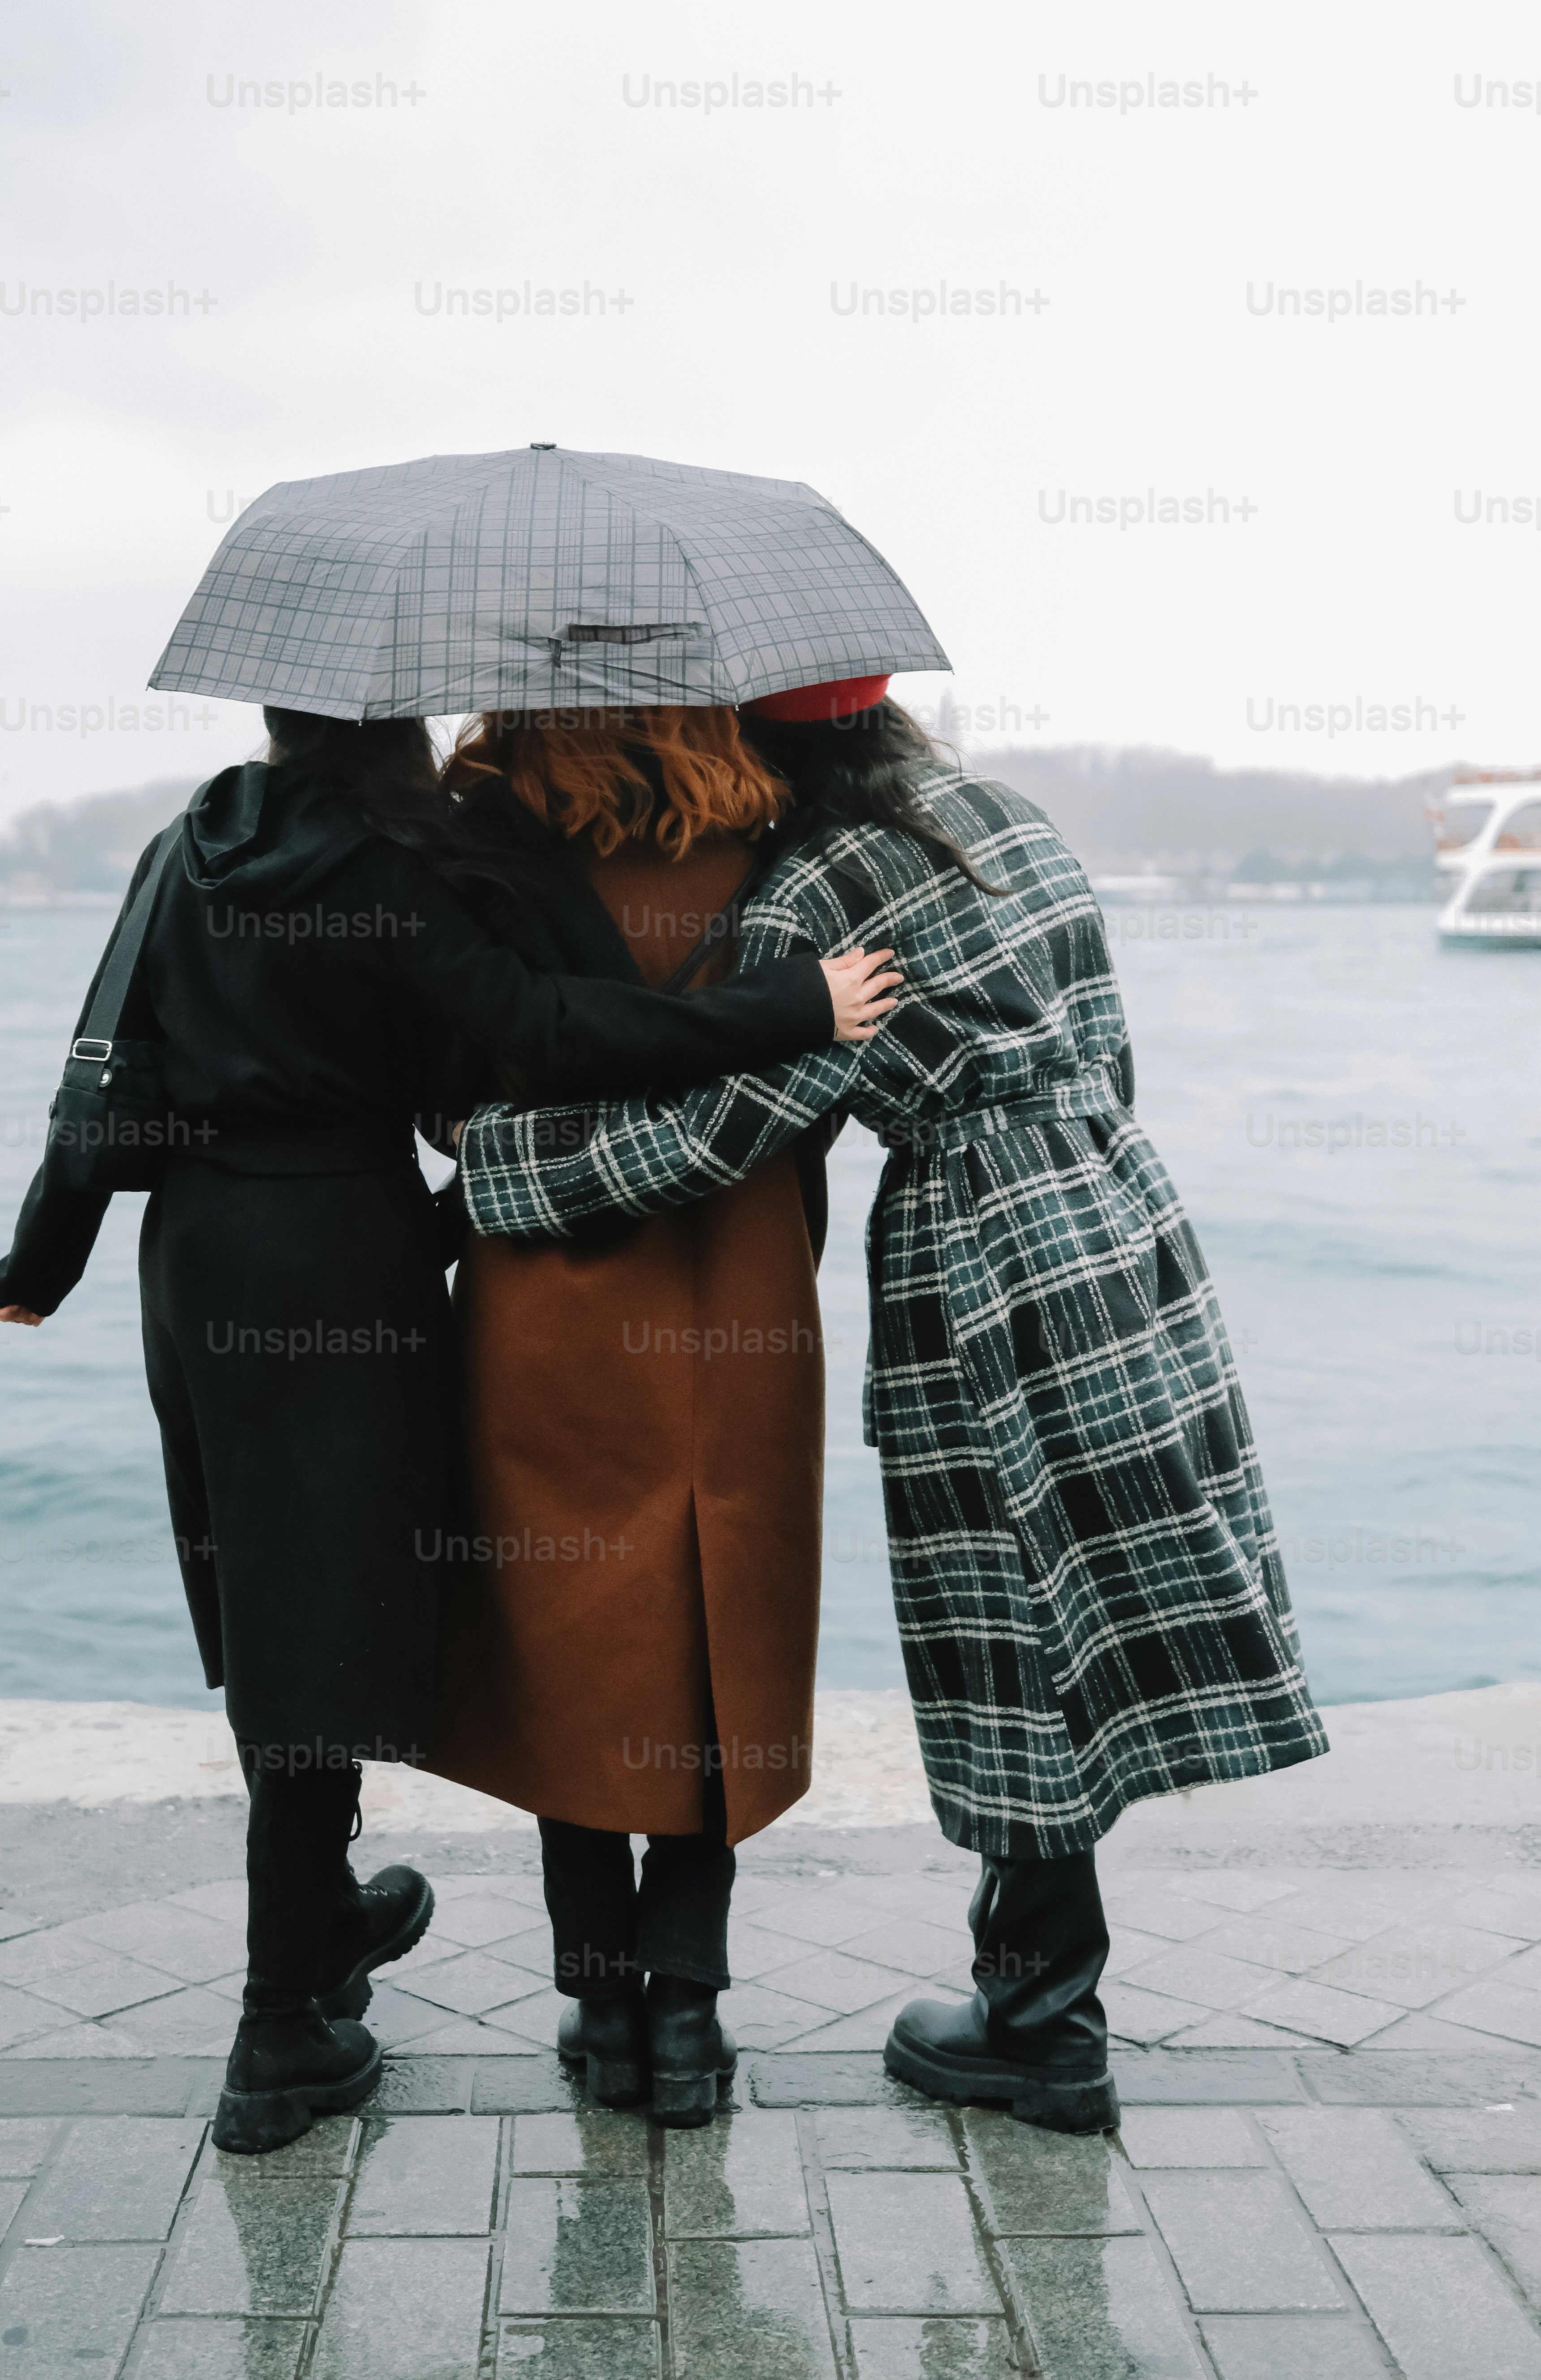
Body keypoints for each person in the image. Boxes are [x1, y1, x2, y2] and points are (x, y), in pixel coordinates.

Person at [0, 706, 895, 2152]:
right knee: (609, 1612)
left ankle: (467, 1976)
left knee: (426, 1617)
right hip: (545, 1260)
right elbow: (598, 1041)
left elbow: (163, 1058)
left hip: (361, 1268)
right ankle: (569, 2012)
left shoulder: (306, 843)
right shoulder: (669, 850)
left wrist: (44, 1262)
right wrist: (789, 1015)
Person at [455, 679, 1329, 2136]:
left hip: (977, 1253)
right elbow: (1109, 1034)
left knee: (1003, 1619)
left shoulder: (814, 892)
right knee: (1087, 1602)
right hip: (1122, 1205)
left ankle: (1045, 2028)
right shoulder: (1012, 818)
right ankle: (1042, 1995)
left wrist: (496, 1171)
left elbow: (727, 1127)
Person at [419, 702, 887, 2126]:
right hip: (740, 1280)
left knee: (573, 1641)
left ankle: (603, 2008)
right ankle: (687, 2017)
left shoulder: (480, 845)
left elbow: (442, 1092)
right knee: (715, 1633)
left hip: (546, 1296)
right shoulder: (780, 844)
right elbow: (824, 1087)